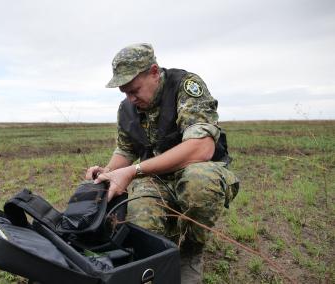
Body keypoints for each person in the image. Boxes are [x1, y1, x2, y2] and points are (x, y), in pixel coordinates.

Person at [86, 43, 239, 283]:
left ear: (154, 72)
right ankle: (161, 252)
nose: (130, 98)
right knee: (141, 221)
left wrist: (135, 170)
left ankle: (190, 250)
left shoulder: (185, 87)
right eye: (125, 93)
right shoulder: (127, 108)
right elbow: (126, 150)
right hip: (155, 180)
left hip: (197, 171)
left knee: (199, 183)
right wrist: (108, 172)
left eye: (134, 90)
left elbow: (202, 147)